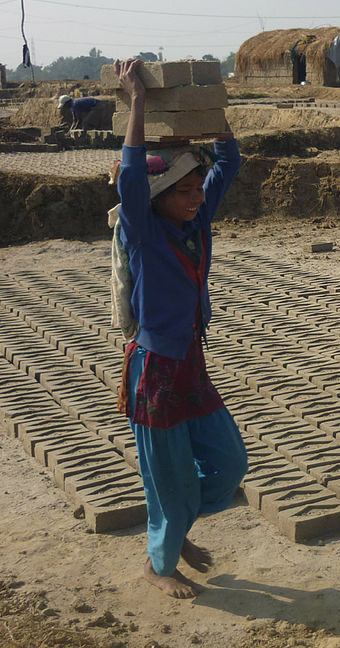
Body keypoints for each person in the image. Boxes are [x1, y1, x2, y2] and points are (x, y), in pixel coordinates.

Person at [108, 57, 247, 599]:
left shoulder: (197, 224)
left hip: (191, 362)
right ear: (155, 197)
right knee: (169, 478)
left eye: (197, 190)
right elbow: (131, 172)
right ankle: (160, 565)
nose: (194, 199)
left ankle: (177, 524)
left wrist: (212, 115)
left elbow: (229, 162)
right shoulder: (143, 231)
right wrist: (139, 103)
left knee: (230, 462)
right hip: (155, 371)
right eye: (183, 192)